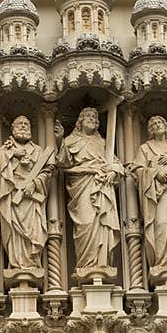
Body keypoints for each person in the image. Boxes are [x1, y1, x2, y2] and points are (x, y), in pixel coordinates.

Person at [54, 107, 123, 273]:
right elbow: (64, 163)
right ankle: (86, 264)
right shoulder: (72, 140)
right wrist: (59, 141)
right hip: (82, 187)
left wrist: (113, 172)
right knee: (86, 223)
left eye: (94, 116)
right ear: (80, 121)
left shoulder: (104, 142)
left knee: (102, 224)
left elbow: (118, 164)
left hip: (102, 189)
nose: (92, 119)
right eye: (88, 116)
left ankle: (101, 263)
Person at [128, 115, 167, 277]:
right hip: (156, 196)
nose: (157, 126)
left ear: (166, 126)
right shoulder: (146, 148)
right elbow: (137, 170)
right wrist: (156, 173)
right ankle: (161, 262)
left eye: (160, 123)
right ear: (150, 130)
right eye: (153, 124)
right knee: (161, 224)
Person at [0, 115, 54, 273]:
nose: (23, 126)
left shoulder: (39, 151)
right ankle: (16, 262)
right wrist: (12, 155)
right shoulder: (6, 150)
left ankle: (32, 263)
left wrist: (34, 184)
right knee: (15, 232)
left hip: (32, 200)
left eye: (26, 124)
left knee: (34, 232)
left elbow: (47, 172)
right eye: (19, 124)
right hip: (13, 198)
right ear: (12, 129)